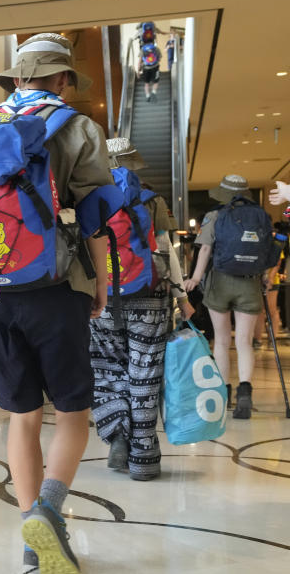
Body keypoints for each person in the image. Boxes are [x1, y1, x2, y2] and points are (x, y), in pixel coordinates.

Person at [0, 33, 114, 574]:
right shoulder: (79, 128)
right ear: (63, 80)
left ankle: (30, 543)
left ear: (17, 79)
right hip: (57, 286)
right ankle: (48, 513)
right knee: (75, 412)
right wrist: (101, 282)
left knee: (22, 416)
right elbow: (95, 216)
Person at [89, 139, 194, 482]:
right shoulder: (152, 201)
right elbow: (167, 254)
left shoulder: (89, 200)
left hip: (102, 300)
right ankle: (144, 458)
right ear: (133, 164)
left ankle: (118, 432)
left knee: (108, 371)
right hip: (150, 297)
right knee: (144, 376)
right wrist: (182, 298)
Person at [184, 174, 265, 419]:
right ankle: (245, 395)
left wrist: (196, 279)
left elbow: (205, 248)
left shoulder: (215, 216)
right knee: (244, 341)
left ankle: (222, 394)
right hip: (250, 283)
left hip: (220, 282)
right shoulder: (260, 215)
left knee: (221, 341)